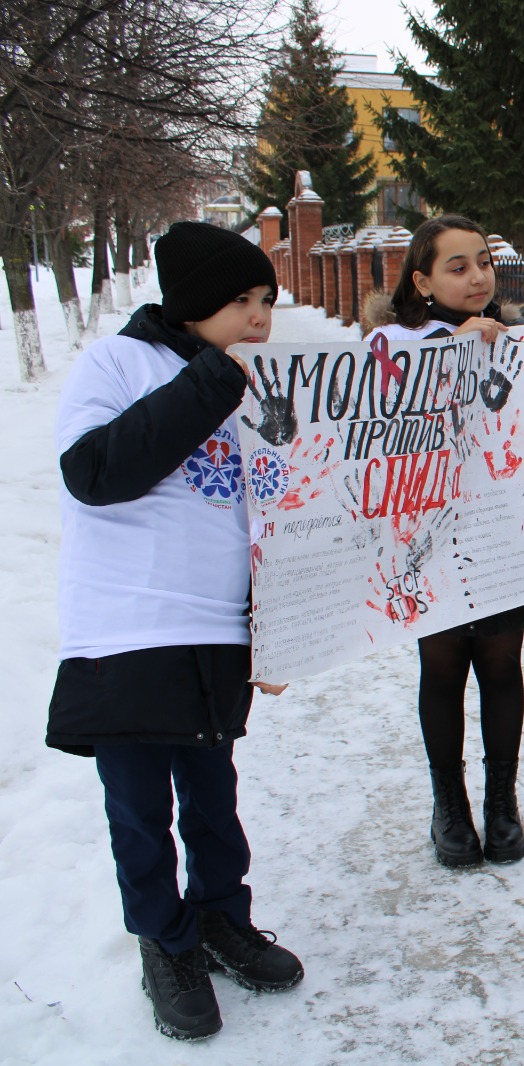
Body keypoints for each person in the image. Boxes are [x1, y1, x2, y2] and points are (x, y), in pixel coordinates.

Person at [47, 221, 304, 1041]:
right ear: (193, 303)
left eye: (266, 299)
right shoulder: (115, 364)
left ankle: (223, 918)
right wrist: (209, 385)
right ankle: (166, 942)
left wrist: (282, 626)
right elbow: (94, 473)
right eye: (241, 300)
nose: (261, 316)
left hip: (214, 626)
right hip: (127, 625)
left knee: (213, 796)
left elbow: (276, 504)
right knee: (137, 807)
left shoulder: (256, 378)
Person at [363, 215, 524, 868]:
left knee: (499, 666)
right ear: (422, 280)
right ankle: (449, 806)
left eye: (483, 263)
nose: (476, 276)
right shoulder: (391, 347)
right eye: (457, 266)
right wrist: (453, 351)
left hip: (505, 537)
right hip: (425, 540)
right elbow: (382, 438)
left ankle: (500, 803)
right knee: (441, 668)